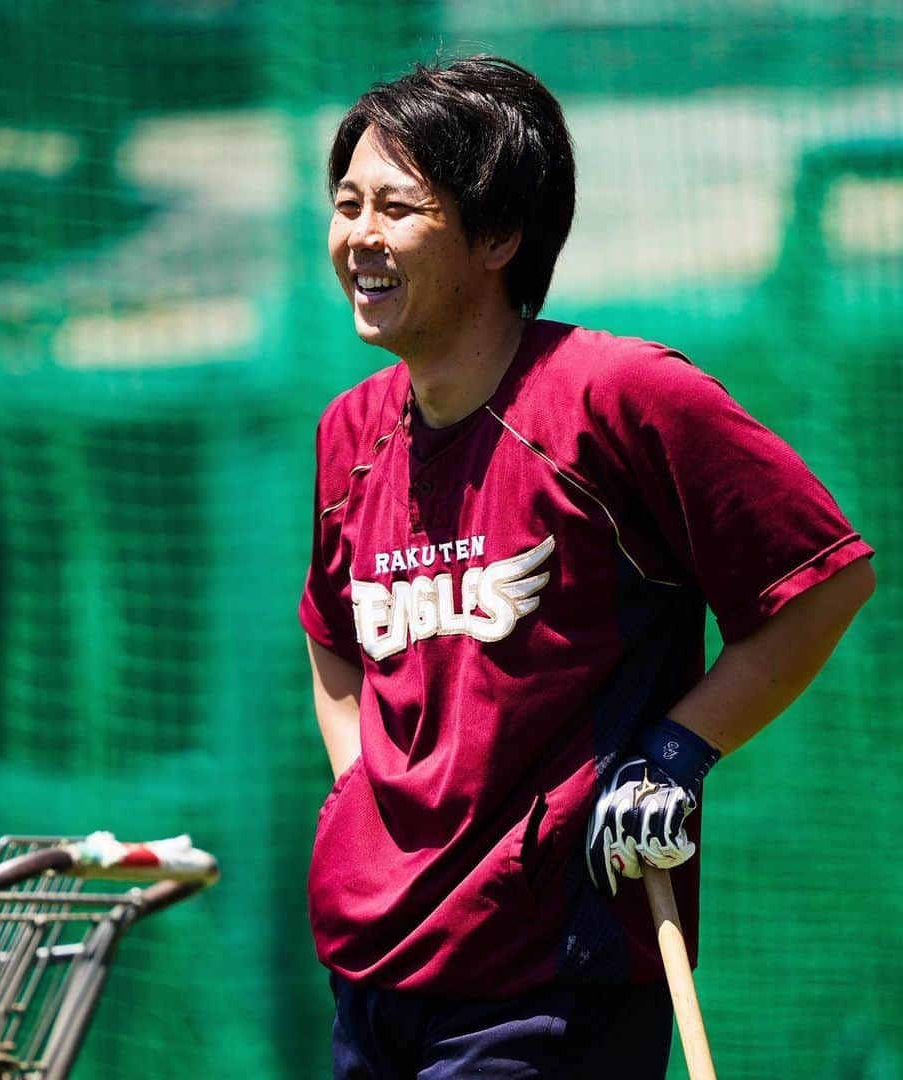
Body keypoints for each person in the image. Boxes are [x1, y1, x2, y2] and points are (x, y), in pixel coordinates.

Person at [298, 56, 874, 1079]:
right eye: (346, 205)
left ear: (499, 235)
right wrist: (362, 792)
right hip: (374, 972)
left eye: (398, 206)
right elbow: (333, 645)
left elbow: (823, 579)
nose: (359, 238)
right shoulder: (347, 435)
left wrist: (678, 753)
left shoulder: (621, 396)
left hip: (549, 981)